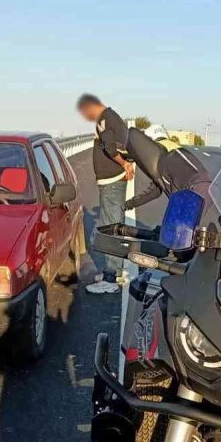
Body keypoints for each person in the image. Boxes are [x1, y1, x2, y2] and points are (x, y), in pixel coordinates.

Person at [76, 93, 134, 294]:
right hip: (110, 180)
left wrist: (124, 164)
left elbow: (110, 147)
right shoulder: (110, 117)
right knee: (109, 223)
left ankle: (111, 278)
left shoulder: (104, 118)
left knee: (112, 227)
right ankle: (111, 272)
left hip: (112, 180)